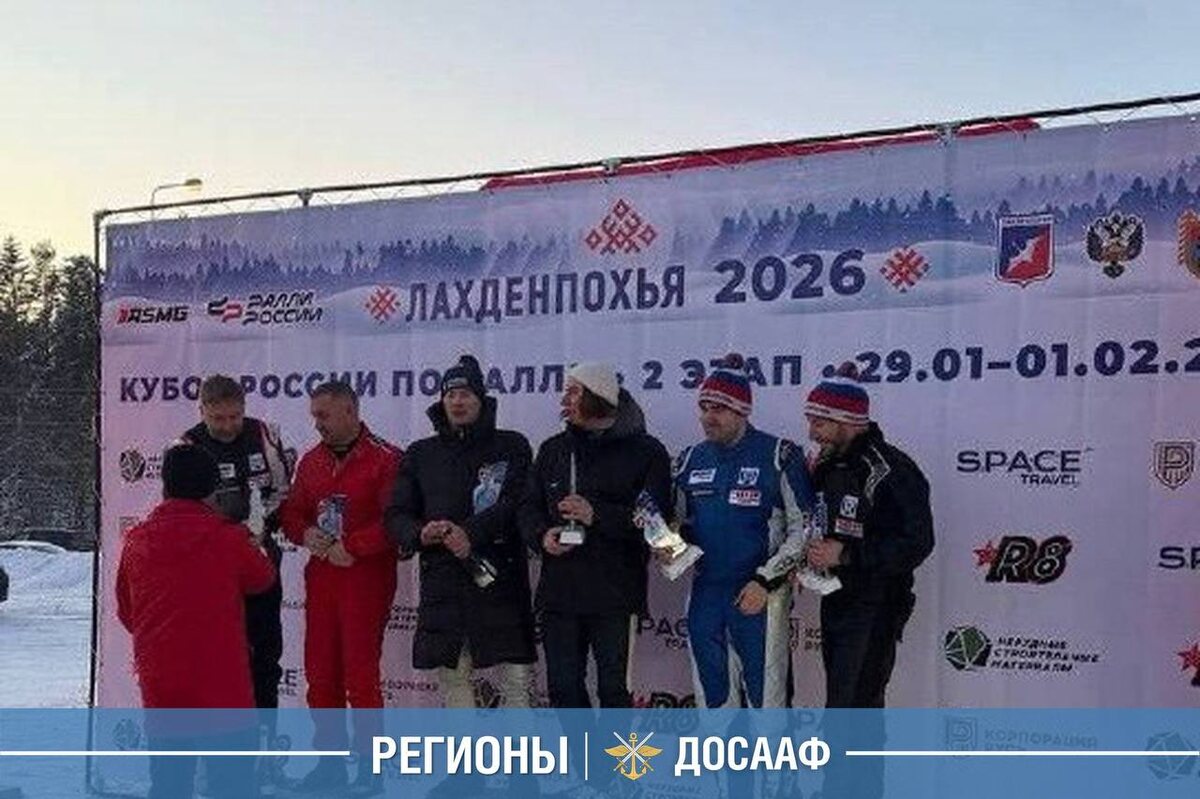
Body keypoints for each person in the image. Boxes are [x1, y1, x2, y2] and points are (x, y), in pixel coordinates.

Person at [116, 444, 274, 799]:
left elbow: (128, 612)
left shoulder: (137, 540)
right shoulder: (228, 538)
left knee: (169, 784)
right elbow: (263, 577)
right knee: (232, 786)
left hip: (163, 682)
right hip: (223, 682)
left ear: (165, 485)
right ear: (212, 489)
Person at [386, 355, 536, 707]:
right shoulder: (421, 453)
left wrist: (471, 533)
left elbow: (518, 501)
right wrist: (420, 533)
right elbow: (396, 514)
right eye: (450, 394)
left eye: (466, 394)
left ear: (481, 399)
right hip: (444, 581)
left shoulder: (512, 445)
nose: (457, 401)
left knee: (516, 681)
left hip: (500, 576)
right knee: (454, 680)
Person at [519, 362, 672, 709]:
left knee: (615, 692)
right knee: (563, 689)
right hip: (560, 594)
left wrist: (597, 514)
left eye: (574, 392)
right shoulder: (553, 450)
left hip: (616, 594)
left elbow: (657, 524)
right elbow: (527, 507)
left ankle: (614, 750)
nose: (565, 400)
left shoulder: (647, 451)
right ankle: (584, 748)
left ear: (597, 395)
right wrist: (542, 536)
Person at [672, 354, 816, 708]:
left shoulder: (779, 455)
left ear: (742, 411)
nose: (708, 417)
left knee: (766, 702)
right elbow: (678, 525)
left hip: (759, 594)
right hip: (706, 594)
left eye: (719, 408)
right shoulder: (689, 460)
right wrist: (667, 546)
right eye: (704, 407)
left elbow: (804, 529)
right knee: (713, 700)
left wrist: (766, 581)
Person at [280, 381, 402, 796]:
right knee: (320, 674)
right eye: (314, 415)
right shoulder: (311, 461)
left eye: (324, 415)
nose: (317, 424)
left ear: (350, 411)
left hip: (365, 579)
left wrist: (354, 546)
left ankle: (370, 769)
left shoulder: (385, 458)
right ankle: (329, 764)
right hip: (322, 577)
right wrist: (305, 533)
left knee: (361, 676)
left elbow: (395, 520)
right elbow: (292, 514)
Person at [804, 363, 934, 708]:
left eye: (819, 423)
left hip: (877, 603)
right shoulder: (827, 464)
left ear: (847, 420)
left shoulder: (892, 468)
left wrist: (846, 555)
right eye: (810, 421)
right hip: (835, 598)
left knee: (859, 705)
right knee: (840, 705)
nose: (812, 432)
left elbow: (918, 542)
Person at [178, 375, 292, 716]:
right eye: (218, 418)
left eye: (235, 417)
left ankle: (265, 734)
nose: (228, 426)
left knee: (265, 652)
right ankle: (220, 736)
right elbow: (180, 512)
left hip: (260, 557)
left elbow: (283, 490)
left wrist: (262, 524)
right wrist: (225, 536)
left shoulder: (264, 435)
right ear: (202, 411)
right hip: (212, 566)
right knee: (219, 653)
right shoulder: (186, 447)